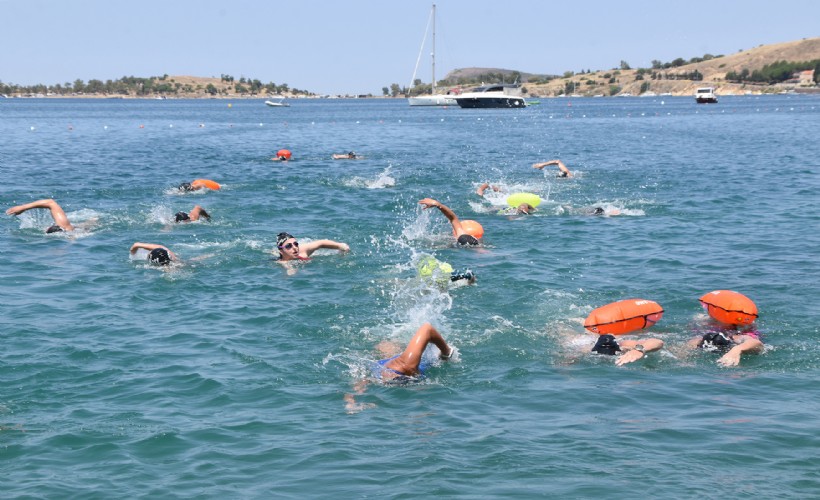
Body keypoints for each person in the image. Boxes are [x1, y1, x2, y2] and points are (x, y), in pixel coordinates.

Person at [687, 326, 764, 367]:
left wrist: (737, 349)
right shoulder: (704, 339)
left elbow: (756, 343)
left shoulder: (738, 337)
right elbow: (690, 344)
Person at [6, 198, 75, 233]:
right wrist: (22, 208)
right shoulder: (65, 226)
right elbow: (50, 202)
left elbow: (50, 202)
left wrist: (23, 207)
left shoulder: (65, 227)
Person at [591, 334, 664, 366]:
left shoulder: (624, 345)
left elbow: (658, 342)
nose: (606, 353)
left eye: (610, 351)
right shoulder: (585, 349)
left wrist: (639, 350)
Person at [275, 232, 350, 262]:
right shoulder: (280, 263)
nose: (294, 247)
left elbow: (321, 243)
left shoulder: (302, 251)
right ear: (281, 250)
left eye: (296, 244)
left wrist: (339, 246)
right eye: (289, 246)